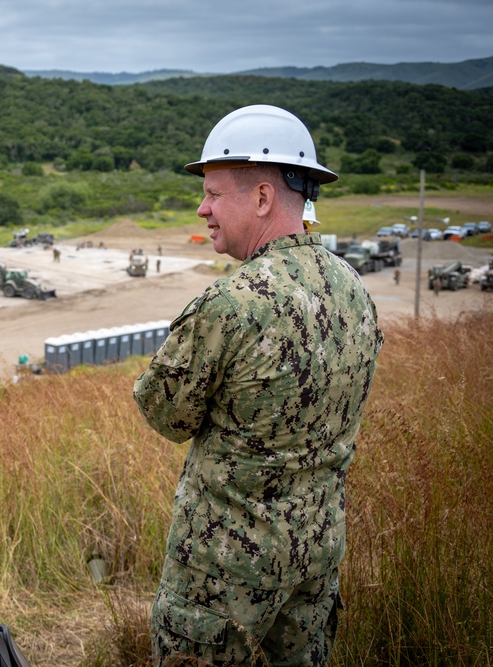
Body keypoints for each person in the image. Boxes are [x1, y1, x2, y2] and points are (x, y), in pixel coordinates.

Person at [132, 105, 384, 666]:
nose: (203, 209)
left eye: (215, 194)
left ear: (264, 198)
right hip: (316, 555)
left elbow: (164, 413)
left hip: (223, 576)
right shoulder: (353, 288)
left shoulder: (231, 303)